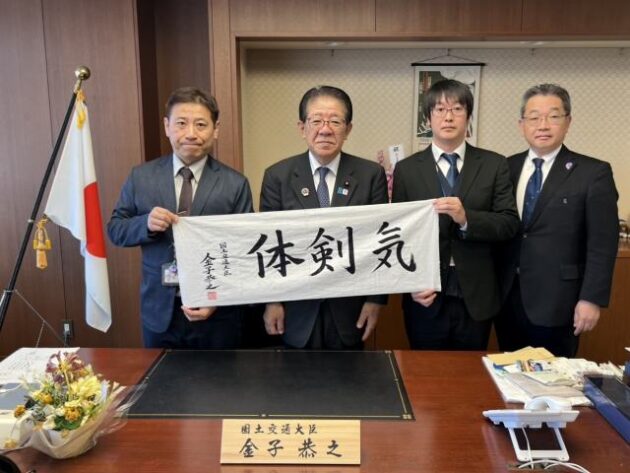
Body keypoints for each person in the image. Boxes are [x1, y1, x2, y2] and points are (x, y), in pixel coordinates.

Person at [108, 87, 253, 349]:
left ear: (215, 129)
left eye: (201, 125)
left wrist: (217, 300)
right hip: (159, 311)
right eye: (181, 123)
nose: (191, 134)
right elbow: (116, 229)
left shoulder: (235, 184)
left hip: (217, 314)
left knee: (219, 376)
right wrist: (145, 223)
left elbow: (244, 250)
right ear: (167, 126)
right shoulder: (141, 177)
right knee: (159, 375)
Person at [392, 79, 519, 350]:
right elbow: (399, 234)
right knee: (424, 371)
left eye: (457, 109)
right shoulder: (407, 169)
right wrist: (411, 283)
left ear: (468, 116)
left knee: (470, 372)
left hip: (476, 295)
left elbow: (508, 223)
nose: (448, 117)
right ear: (428, 118)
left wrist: (466, 218)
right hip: (424, 294)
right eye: (440, 109)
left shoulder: (494, 164)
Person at [495, 83, 619, 357]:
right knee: (508, 372)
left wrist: (591, 298)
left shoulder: (593, 172)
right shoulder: (505, 167)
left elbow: (602, 243)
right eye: (534, 117)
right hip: (508, 298)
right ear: (521, 124)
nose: (543, 125)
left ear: (568, 122)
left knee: (555, 377)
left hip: (560, 301)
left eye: (553, 116)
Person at [260, 85, 388, 350]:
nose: (325, 129)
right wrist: (271, 301)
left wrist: (375, 300)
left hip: (350, 308)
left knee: (351, 375)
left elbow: (380, 241)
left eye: (335, 121)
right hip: (296, 308)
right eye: (316, 120)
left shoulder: (370, 175)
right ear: (302, 127)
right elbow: (269, 243)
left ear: (348, 129)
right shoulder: (278, 176)